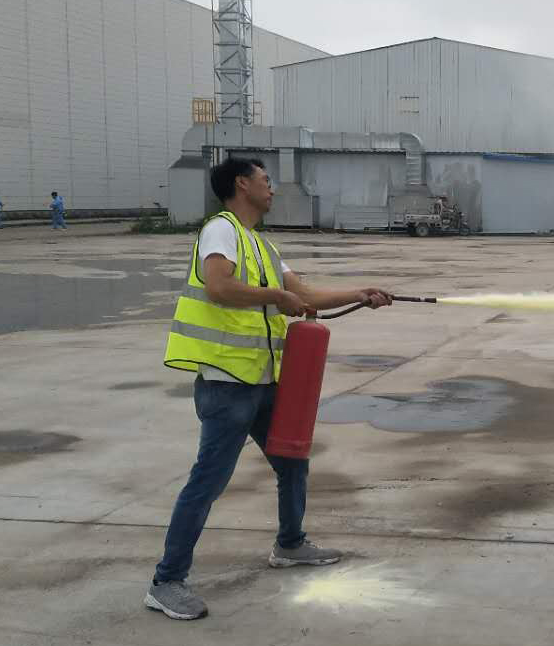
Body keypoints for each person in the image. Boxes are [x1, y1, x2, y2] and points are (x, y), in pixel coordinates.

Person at [147, 157, 392, 621]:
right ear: (242, 184)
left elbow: (306, 295)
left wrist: (361, 294)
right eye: (265, 180)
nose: (272, 188)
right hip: (227, 383)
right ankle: (166, 581)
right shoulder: (221, 231)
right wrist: (277, 297)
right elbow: (219, 287)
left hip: (262, 380)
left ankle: (290, 544)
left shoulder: (260, 244)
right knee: (208, 481)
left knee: (292, 461)